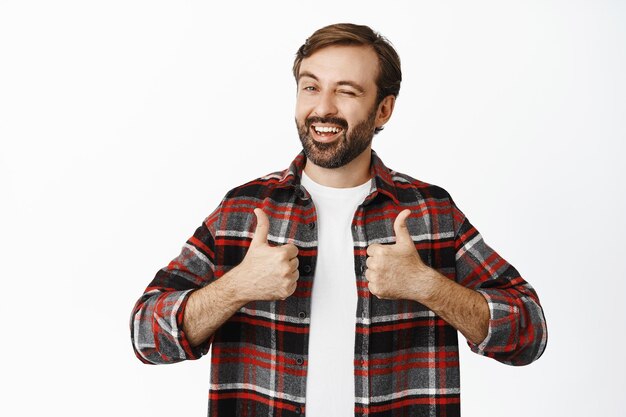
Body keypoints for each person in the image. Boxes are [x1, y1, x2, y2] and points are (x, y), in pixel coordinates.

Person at [130, 23, 547, 417]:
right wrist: (237, 287)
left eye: (346, 92)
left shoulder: (429, 212)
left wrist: (427, 286)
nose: (323, 108)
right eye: (311, 87)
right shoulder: (242, 210)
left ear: (383, 110)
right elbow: (146, 334)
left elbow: (529, 333)